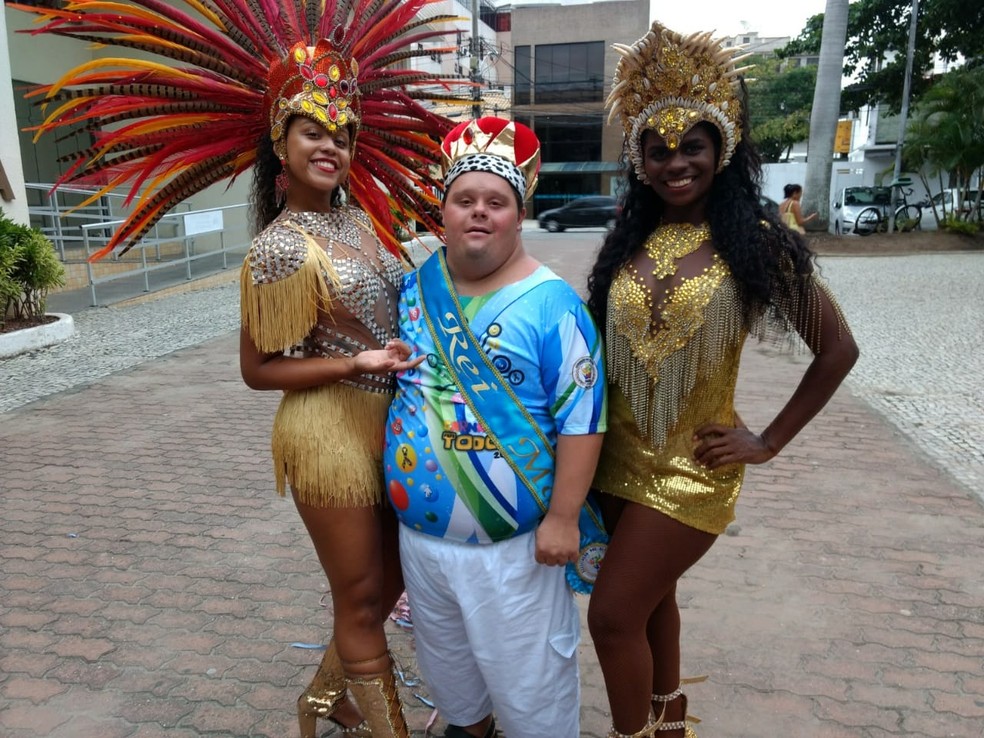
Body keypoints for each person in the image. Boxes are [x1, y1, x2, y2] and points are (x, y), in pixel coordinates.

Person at [16, 2, 469, 736]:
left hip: (393, 427)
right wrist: (353, 360)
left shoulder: (356, 223)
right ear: (281, 144)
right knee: (359, 597)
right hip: (329, 435)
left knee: (386, 591)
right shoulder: (279, 248)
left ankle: (320, 701)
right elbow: (256, 371)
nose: (331, 145)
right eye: (313, 131)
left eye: (343, 134)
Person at [585, 22, 859, 738]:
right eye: (658, 148)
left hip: (692, 470)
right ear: (640, 160)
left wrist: (767, 440)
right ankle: (669, 724)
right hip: (617, 461)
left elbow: (837, 351)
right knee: (651, 605)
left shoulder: (759, 242)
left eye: (692, 146)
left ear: (724, 148)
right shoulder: (629, 240)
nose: (676, 162)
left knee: (612, 616)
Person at [383, 117, 608, 738]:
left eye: (496, 202)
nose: (479, 212)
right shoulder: (414, 290)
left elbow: (583, 419)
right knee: (453, 682)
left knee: (531, 687)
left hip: (515, 550)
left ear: (518, 213)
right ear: (444, 211)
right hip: (421, 544)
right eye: (465, 200)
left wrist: (564, 516)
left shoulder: (553, 303)